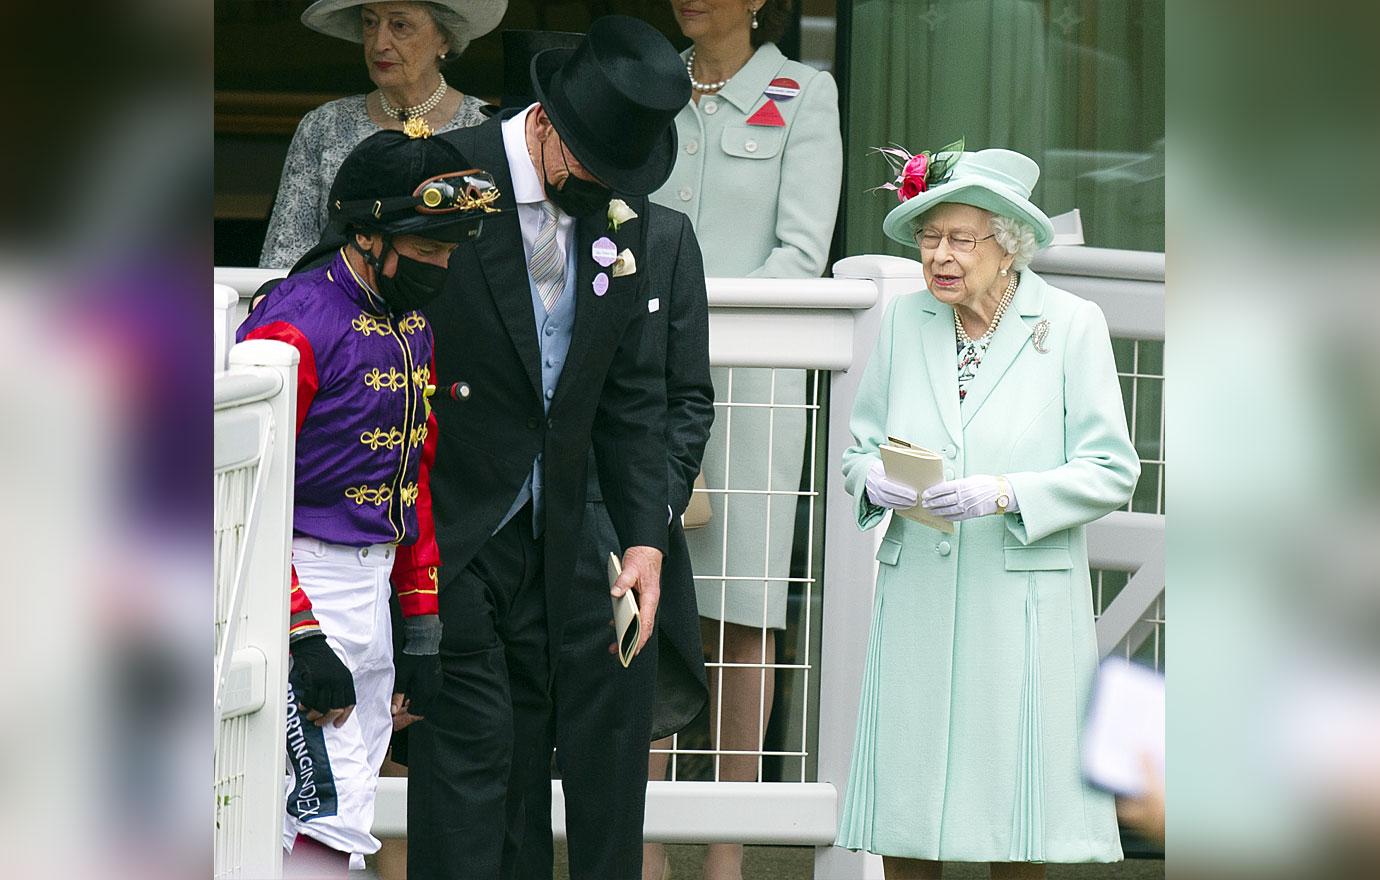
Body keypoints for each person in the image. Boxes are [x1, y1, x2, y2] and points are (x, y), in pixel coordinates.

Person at [401, 16, 692, 880]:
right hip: (446, 525)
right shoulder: (442, 175)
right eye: (593, 170)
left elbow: (633, 394)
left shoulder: (617, 212)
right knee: (467, 774)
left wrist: (642, 536)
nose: (609, 191)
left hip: (556, 532)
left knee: (530, 774)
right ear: (546, 124)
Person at [836, 145, 1140, 879]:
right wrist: (872, 480)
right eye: (928, 238)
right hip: (920, 601)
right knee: (908, 811)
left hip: (1020, 605)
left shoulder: (1070, 324)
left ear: (1009, 248)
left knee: (1016, 812)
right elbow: (858, 449)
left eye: (959, 240)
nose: (938, 256)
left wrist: (1004, 493)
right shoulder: (906, 321)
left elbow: (1111, 470)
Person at [235, 128, 498, 874]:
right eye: (426, 250)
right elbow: (244, 495)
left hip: (371, 590)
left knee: (343, 802)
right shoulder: (294, 323)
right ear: (365, 233)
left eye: (449, 251)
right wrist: (299, 632)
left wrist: (421, 629)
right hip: (297, 585)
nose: (441, 266)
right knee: (317, 810)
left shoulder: (413, 326)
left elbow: (410, 489)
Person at [487, 30, 715, 880]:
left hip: (616, 544)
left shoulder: (661, 239)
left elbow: (685, 397)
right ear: (546, 126)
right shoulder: (486, 210)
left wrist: (647, 514)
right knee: (504, 785)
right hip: (505, 538)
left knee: (611, 791)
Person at [648, 3, 842, 878]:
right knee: (637, 604)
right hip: (645, 383)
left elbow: (801, 257)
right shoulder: (649, 86)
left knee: (745, 617)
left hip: (755, 387)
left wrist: (691, 326)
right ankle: (640, 844)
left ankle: (727, 853)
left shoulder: (805, 94)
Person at [258, 0, 506, 269]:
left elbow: (499, 262)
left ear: (445, 39)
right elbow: (284, 258)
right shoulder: (324, 126)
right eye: (370, 23)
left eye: (400, 25)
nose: (379, 44)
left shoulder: (484, 129)